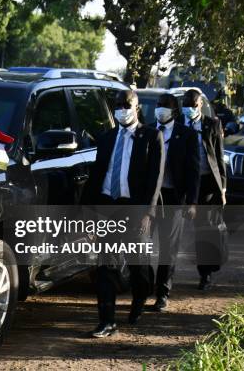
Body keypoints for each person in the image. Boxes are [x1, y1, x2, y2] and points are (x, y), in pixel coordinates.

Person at [85, 90, 164, 338]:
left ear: (136, 107)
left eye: (126, 105)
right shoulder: (107, 138)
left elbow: (155, 178)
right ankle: (107, 321)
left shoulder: (152, 136)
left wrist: (148, 213)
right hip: (109, 206)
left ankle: (140, 299)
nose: (122, 109)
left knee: (138, 266)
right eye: (118, 105)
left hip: (136, 208)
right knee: (105, 266)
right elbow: (97, 176)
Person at [150, 93, 200, 311]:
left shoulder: (186, 135)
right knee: (140, 244)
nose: (161, 109)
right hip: (149, 198)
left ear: (175, 111)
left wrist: (192, 201)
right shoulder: (148, 131)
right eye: (158, 105)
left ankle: (162, 293)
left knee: (168, 249)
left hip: (173, 198)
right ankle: (142, 288)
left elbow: (193, 170)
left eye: (166, 106)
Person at [182, 89, 227, 290]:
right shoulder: (177, 125)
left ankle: (205, 273)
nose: (189, 109)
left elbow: (219, 157)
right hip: (183, 184)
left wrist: (223, 188)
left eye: (192, 105)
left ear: (200, 105)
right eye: (185, 105)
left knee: (205, 230)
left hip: (207, 182)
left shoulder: (212, 124)